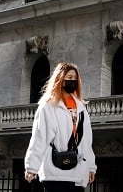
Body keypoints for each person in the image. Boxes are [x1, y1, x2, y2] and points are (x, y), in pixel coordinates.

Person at [24, 62, 96, 192]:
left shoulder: (81, 108)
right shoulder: (48, 107)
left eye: (75, 78)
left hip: (78, 174)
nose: (72, 81)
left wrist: (91, 167)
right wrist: (31, 167)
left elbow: (87, 141)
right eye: (69, 78)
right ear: (60, 79)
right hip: (54, 172)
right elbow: (40, 137)